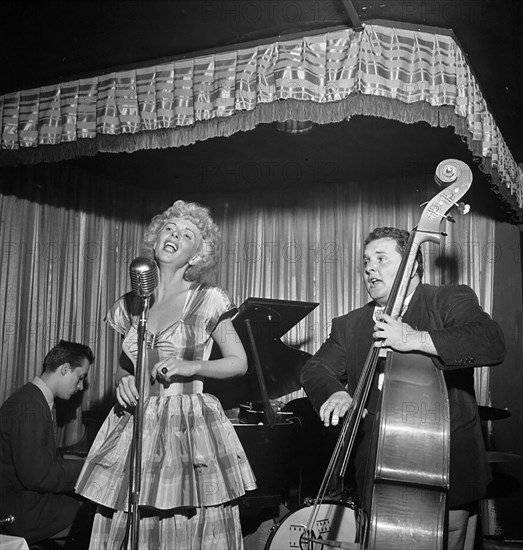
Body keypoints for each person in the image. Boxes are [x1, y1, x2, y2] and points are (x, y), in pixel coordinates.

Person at [300, 226, 506, 550]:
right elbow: (315, 368)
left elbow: (490, 342)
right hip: (377, 464)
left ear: (411, 265)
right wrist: (336, 393)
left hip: (446, 459)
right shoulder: (350, 324)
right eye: (366, 260)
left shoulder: (448, 299)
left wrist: (414, 339)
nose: (370, 267)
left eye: (381, 258)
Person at [75, 200, 256, 549]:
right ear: (156, 239)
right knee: (129, 517)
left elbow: (238, 362)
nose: (174, 235)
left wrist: (192, 366)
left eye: (187, 234)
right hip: (135, 422)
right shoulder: (129, 304)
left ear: (196, 256)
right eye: (169, 229)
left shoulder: (210, 299)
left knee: (185, 523)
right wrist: (122, 380)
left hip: (186, 422)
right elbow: (123, 365)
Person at [0, 339, 94, 545]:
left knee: (84, 508)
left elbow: (43, 466)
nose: (80, 387)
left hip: (22, 499)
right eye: (80, 378)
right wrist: (88, 467)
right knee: (92, 518)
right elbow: (39, 477)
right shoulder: (29, 408)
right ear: (65, 368)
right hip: (15, 508)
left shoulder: (34, 400)